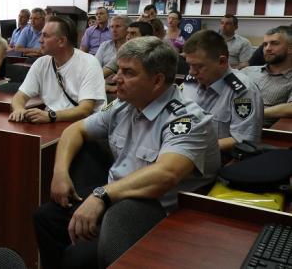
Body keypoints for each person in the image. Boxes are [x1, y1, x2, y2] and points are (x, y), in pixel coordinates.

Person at [33, 37, 220, 268]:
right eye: (119, 69)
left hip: (155, 213)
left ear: (157, 80)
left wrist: (101, 195)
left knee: (78, 258)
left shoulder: (186, 120)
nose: (116, 78)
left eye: (128, 72)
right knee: (45, 218)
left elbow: (166, 174)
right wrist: (60, 173)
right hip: (116, 195)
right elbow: (75, 130)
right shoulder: (124, 105)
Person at [9, 16, 106, 123]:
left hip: (82, 125)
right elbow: (20, 96)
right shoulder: (41, 63)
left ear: (61, 41)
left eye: (45, 36)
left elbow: (85, 110)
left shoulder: (89, 63)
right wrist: (19, 109)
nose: (40, 40)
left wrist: (51, 116)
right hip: (53, 122)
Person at [181, 30, 263, 154]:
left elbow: (243, 139)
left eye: (199, 66)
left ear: (222, 62)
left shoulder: (243, 91)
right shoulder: (190, 83)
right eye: (190, 65)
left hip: (217, 160)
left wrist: (188, 150)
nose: (192, 72)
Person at [241, 26, 292, 120]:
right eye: (265, 44)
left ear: (290, 48)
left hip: (260, 126)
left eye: (275, 43)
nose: (267, 48)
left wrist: (249, 113)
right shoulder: (247, 71)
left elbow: (290, 108)